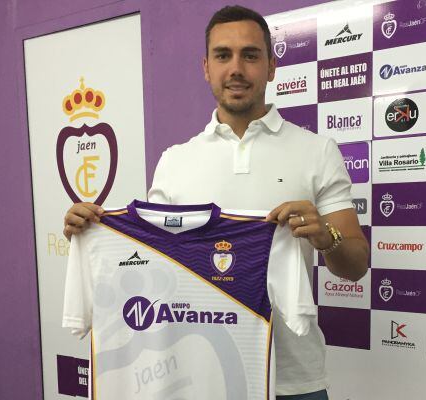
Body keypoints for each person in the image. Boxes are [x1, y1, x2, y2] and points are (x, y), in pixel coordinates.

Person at [63, 5, 369, 399]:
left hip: (296, 381)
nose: (236, 68)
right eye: (223, 55)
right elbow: (157, 265)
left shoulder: (317, 151)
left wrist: (326, 237)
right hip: (204, 375)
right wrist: (94, 232)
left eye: (251, 55)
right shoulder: (176, 160)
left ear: (272, 67)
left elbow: (356, 265)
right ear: (206, 67)